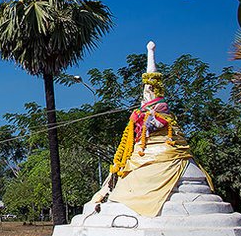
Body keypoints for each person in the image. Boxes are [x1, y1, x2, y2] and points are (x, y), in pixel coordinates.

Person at [89, 41, 213, 217]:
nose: (147, 93)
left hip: (166, 152)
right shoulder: (141, 116)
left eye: (149, 92)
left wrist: (149, 116)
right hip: (145, 153)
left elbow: (154, 123)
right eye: (146, 92)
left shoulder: (160, 116)